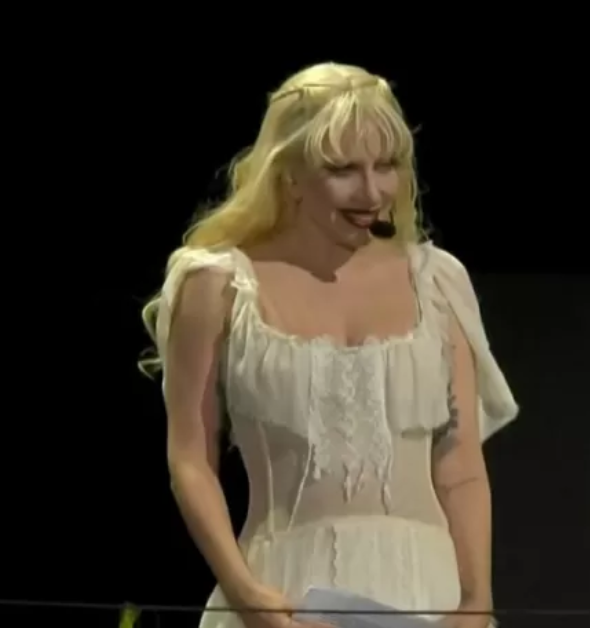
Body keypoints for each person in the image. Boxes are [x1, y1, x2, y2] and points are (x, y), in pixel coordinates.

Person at [139, 62, 518, 628]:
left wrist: (476, 602)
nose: (372, 191)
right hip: (282, 594)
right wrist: (246, 593)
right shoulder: (216, 285)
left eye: (387, 165)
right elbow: (191, 460)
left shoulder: (438, 282)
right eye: (342, 169)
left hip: (426, 596)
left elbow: (460, 464)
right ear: (288, 173)